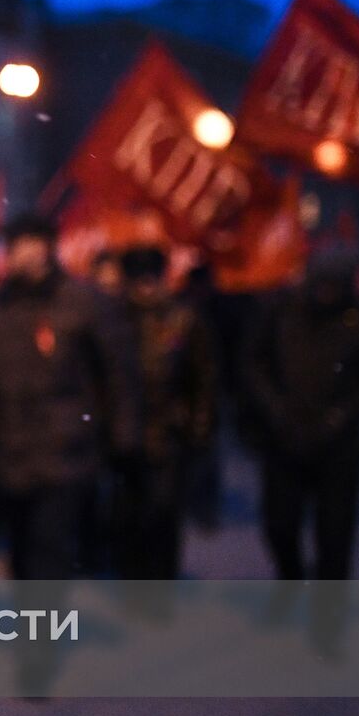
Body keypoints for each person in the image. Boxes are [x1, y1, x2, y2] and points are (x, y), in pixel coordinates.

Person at [0, 214, 141, 580]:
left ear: (48, 247)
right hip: (8, 447)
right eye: (16, 245)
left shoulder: (84, 301)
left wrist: (124, 433)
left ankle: (41, 632)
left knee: (49, 546)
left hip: (66, 447)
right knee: (20, 549)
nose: (23, 254)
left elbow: (118, 373)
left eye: (31, 243)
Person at [246, 249, 359, 581]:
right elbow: (255, 362)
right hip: (286, 437)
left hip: (338, 446)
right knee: (280, 526)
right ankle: (291, 582)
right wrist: (275, 407)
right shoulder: (284, 312)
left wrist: (344, 415)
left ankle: (326, 617)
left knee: (334, 538)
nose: (326, 293)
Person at [113, 246, 216, 579]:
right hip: (122, 431)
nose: (145, 288)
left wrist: (197, 428)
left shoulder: (182, 318)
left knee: (163, 513)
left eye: (150, 279)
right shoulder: (112, 319)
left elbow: (203, 377)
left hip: (169, 432)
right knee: (128, 515)